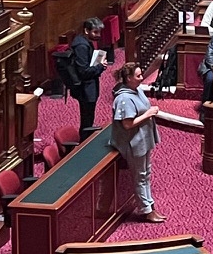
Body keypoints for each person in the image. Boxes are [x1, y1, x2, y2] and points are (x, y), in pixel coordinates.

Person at [109, 64, 165, 223]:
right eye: (139, 75)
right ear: (129, 78)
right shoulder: (124, 98)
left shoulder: (137, 90)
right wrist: (148, 114)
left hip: (143, 139)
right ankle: (145, 210)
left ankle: (150, 205)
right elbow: (127, 124)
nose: (142, 78)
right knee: (140, 176)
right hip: (133, 142)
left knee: (146, 174)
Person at [69, 18, 108, 131]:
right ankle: (84, 141)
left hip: (89, 87)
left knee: (89, 117)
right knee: (86, 119)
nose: (98, 35)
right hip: (85, 89)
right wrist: (100, 66)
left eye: (99, 32)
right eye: (95, 32)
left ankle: (87, 135)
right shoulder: (81, 46)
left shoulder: (84, 42)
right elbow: (84, 72)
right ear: (86, 30)